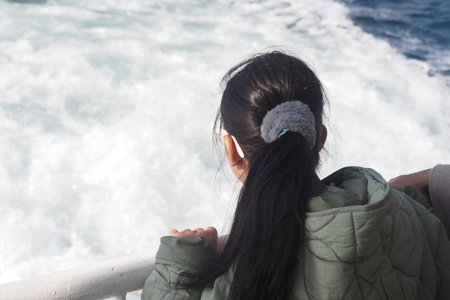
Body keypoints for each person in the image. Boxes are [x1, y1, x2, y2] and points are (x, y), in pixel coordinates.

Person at [142, 52, 450, 299]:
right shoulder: (401, 211)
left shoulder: (243, 270)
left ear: (232, 151)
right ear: (321, 137)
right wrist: (417, 184)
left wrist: (178, 267)